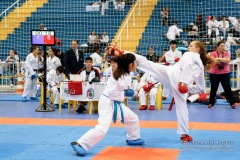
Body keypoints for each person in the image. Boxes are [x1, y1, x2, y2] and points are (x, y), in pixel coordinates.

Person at [105, 40, 214, 143]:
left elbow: (188, 64)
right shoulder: (201, 67)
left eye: (191, 46)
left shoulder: (191, 54)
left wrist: (184, 83)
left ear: (197, 49)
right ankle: (184, 134)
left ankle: (122, 53)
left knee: (147, 64)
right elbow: (201, 86)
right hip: (179, 84)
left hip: (173, 76)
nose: (189, 47)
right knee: (182, 108)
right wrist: (189, 88)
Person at [71, 53, 145, 156]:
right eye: (135, 63)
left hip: (115, 103)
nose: (136, 64)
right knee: (102, 129)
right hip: (107, 103)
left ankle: (133, 137)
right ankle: (80, 144)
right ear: (130, 65)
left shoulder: (127, 73)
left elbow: (125, 89)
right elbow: (112, 92)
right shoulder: (119, 75)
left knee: (133, 118)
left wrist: (131, 93)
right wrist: (126, 93)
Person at [208, 40, 236, 109]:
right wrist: (222, 59)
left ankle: (232, 103)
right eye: (221, 46)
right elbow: (213, 61)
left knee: (227, 88)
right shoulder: (213, 53)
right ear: (217, 47)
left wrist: (218, 59)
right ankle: (211, 103)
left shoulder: (226, 53)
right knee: (213, 89)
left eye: (224, 46)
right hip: (214, 73)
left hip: (225, 73)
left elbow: (227, 60)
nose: (223, 47)